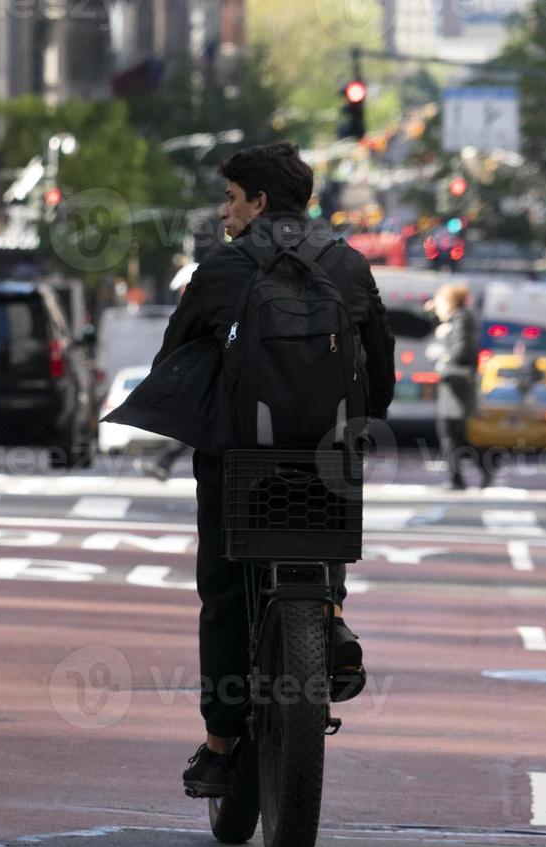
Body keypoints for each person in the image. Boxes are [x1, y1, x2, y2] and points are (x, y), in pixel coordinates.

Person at [136, 142, 395, 798]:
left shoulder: (224, 267)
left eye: (231, 198)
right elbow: (381, 364)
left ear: (258, 201)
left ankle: (221, 744)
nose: (224, 212)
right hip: (328, 462)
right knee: (322, 543)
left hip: (236, 464)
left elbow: (176, 356)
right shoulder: (348, 265)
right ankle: (329, 615)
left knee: (224, 592)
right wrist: (363, 425)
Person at [428, 282, 492, 489]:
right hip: (454, 384)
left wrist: (444, 359)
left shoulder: (461, 318)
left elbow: (462, 348)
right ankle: (472, 471)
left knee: (449, 432)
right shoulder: (457, 319)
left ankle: (461, 477)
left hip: (456, 384)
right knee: (456, 434)